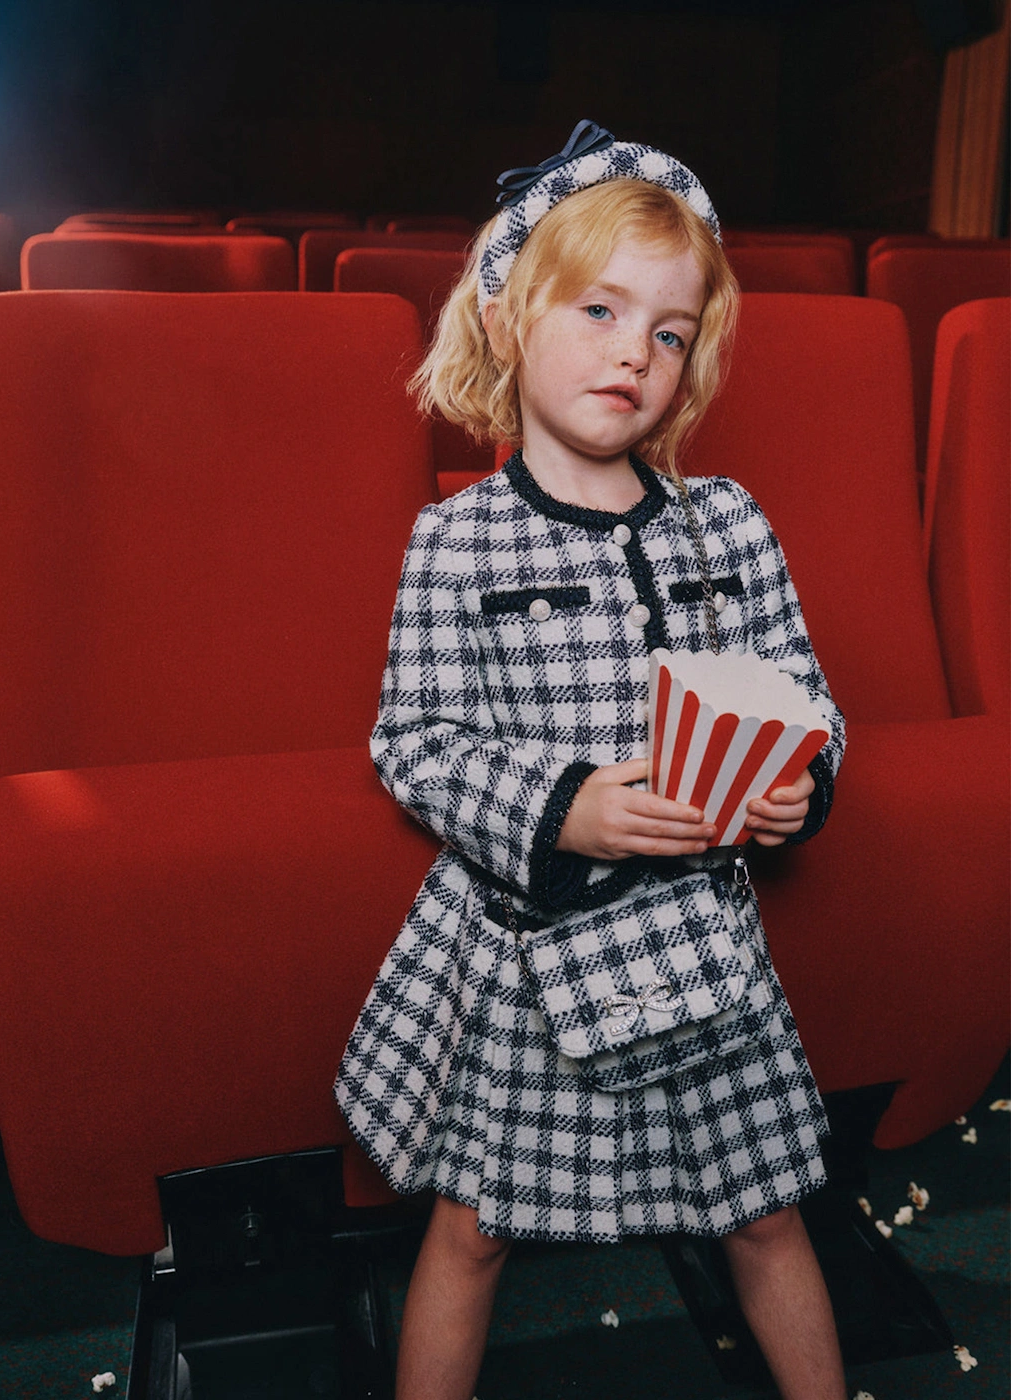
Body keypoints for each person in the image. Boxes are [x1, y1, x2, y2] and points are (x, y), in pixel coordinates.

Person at [335, 121, 849, 1400]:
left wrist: (801, 779)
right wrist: (564, 808)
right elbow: (416, 742)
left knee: (767, 1210)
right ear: (509, 322)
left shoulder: (730, 521)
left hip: (706, 940)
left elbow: (807, 697)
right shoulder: (456, 540)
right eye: (602, 307)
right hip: (529, 948)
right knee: (476, 1226)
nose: (636, 349)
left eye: (670, 331)